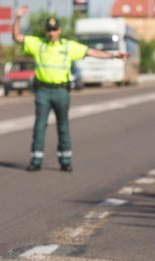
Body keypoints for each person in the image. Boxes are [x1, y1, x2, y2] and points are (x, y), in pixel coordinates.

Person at [12, 5, 127, 172]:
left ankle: (65, 160)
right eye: (49, 30)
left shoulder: (68, 46)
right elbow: (17, 37)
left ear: (59, 30)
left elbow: (92, 52)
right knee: (39, 125)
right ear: (46, 31)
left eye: (55, 29)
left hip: (61, 91)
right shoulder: (38, 44)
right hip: (43, 91)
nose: (52, 33)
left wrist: (114, 55)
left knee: (63, 125)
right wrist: (17, 18)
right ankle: (36, 160)